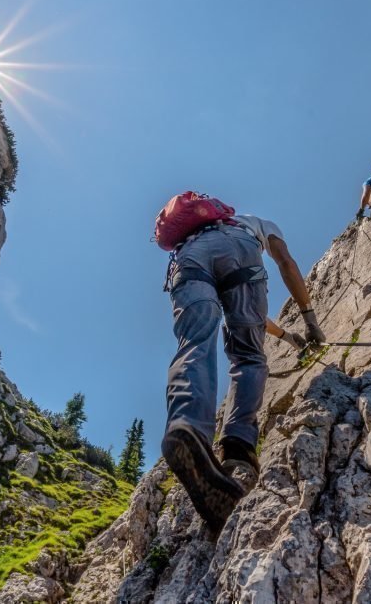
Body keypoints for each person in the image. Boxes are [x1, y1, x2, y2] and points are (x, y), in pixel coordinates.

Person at [159, 198, 325, 533]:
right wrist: (309, 319)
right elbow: (285, 266)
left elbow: (252, 316)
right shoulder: (256, 224)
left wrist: (288, 336)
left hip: (188, 261)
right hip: (242, 254)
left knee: (194, 341)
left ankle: (186, 425)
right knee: (248, 355)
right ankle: (237, 446)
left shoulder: (193, 237)